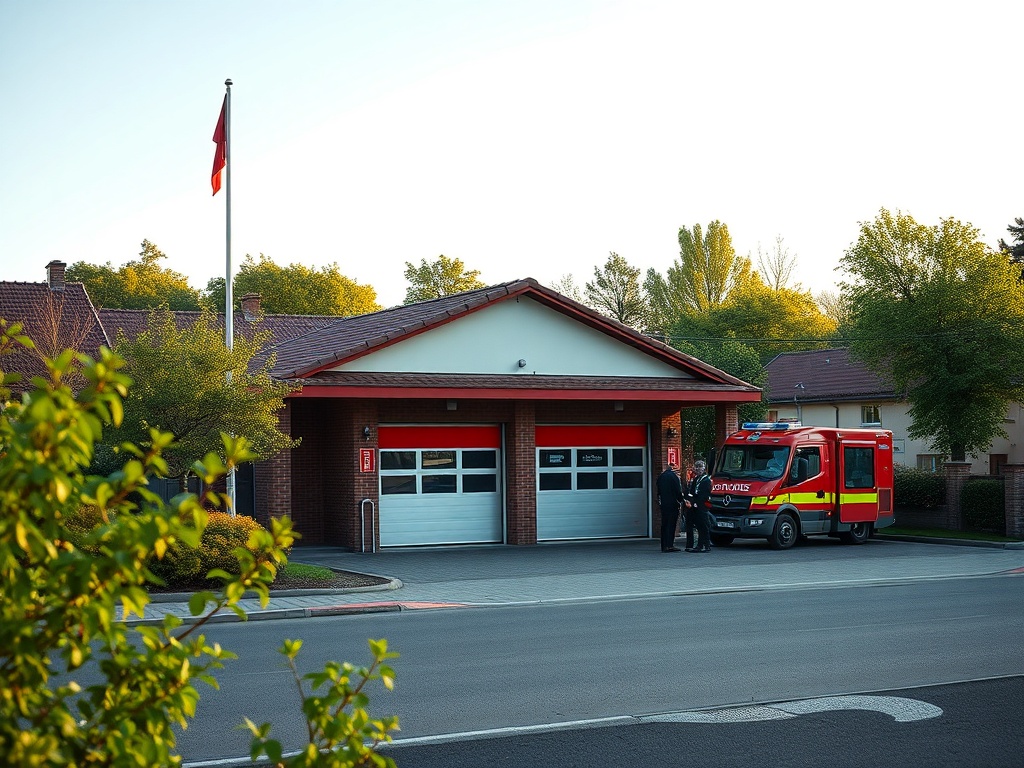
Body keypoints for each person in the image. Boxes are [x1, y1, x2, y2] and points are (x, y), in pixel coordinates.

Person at [684, 459, 712, 553]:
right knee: (698, 526)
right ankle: (699, 545)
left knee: (704, 525)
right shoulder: (696, 479)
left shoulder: (706, 480)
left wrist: (697, 502)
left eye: (700, 467)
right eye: (696, 467)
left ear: (704, 469)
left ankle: (706, 545)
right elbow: (692, 492)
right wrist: (690, 501)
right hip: (695, 506)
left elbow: (705, 494)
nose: (698, 469)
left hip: (702, 506)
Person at [656, 461, 684, 552]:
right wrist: (681, 500)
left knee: (664, 524)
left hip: (664, 504)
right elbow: (678, 491)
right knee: (671, 524)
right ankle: (669, 545)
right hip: (673, 503)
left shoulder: (661, 476)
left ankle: (664, 545)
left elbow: (658, 490)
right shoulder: (674, 477)